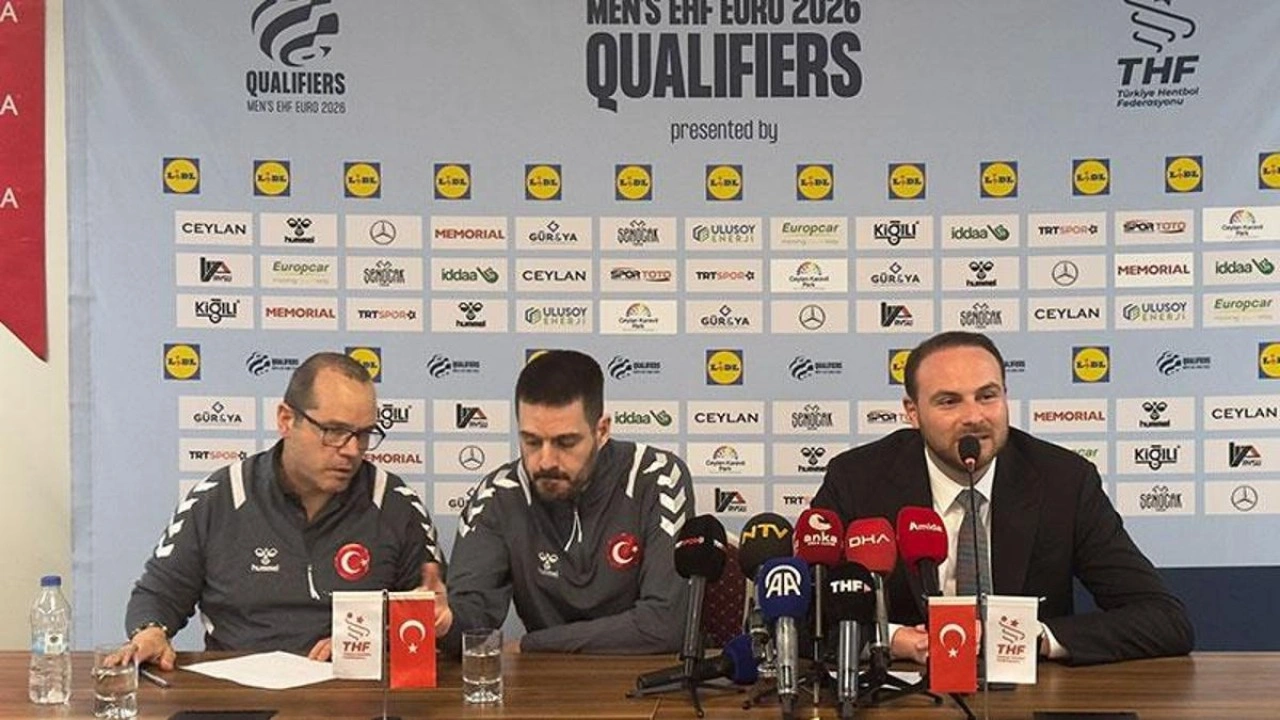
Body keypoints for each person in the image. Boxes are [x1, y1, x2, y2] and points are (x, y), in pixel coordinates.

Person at [812, 331, 1193, 666]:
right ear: (913, 412)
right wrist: (893, 639)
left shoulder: (1064, 481)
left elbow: (1164, 619)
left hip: (1029, 697)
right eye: (949, 401)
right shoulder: (858, 480)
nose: (974, 416)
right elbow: (801, 614)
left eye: (987, 396)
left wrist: (1030, 637)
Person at [125, 352, 449, 668]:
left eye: (363, 434)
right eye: (334, 431)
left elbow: (434, 616)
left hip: (354, 691)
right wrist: (150, 631)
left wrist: (372, 641)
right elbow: (158, 594)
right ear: (286, 419)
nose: (352, 450)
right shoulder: (220, 498)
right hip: (238, 690)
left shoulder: (395, 504)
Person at [441, 349, 695, 654]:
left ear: (601, 430)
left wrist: (531, 644)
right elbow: (472, 622)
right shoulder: (499, 495)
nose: (546, 461)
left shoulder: (656, 477)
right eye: (532, 441)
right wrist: (446, 623)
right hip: (548, 680)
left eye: (565, 442)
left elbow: (665, 624)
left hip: (644, 674)